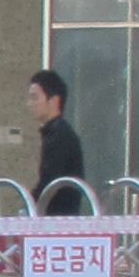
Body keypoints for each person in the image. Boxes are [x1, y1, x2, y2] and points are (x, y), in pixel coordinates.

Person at [28, 69, 92, 214]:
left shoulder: (60, 135)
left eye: (35, 98)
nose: (30, 104)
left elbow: (50, 181)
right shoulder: (55, 132)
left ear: (54, 101)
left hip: (58, 217)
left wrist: (30, 205)